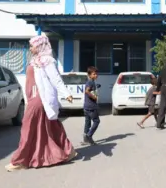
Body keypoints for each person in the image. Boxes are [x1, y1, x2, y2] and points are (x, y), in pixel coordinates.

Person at [6, 35, 77, 172]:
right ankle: (67, 151)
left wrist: (66, 93)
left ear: (39, 47)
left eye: (32, 45)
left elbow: (56, 79)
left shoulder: (47, 61)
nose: (30, 48)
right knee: (51, 125)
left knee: (28, 127)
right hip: (33, 98)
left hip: (40, 98)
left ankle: (20, 161)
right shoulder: (35, 60)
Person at [83, 66, 100, 145]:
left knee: (87, 122)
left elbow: (90, 90)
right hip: (91, 106)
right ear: (89, 75)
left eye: (96, 74)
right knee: (96, 121)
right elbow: (87, 91)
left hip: (86, 106)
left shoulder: (91, 82)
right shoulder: (90, 82)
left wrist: (97, 87)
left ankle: (85, 138)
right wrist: (94, 97)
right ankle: (89, 136)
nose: (96, 75)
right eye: (94, 74)